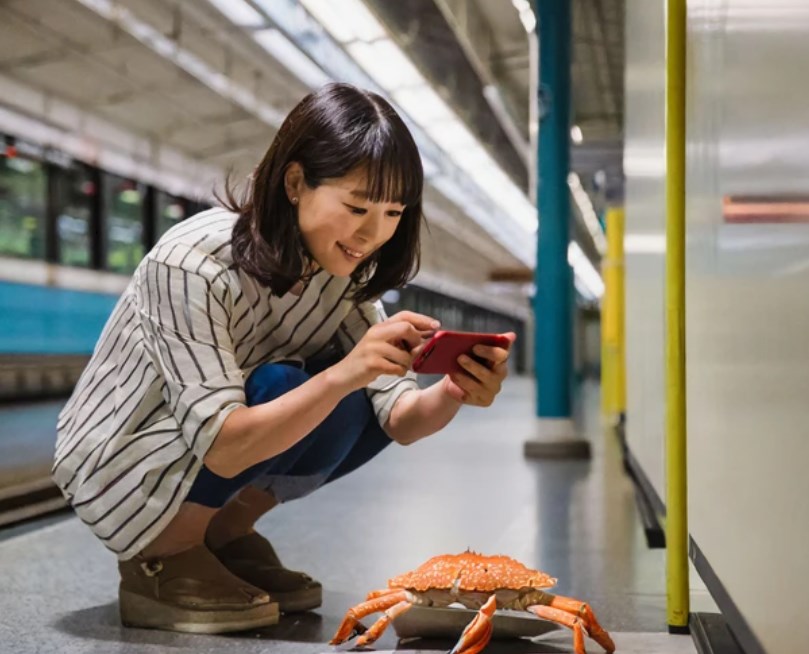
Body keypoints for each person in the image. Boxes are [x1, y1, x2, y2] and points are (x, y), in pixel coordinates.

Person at [52, 83, 516, 634]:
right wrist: (347, 372)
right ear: (295, 183)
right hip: (119, 464)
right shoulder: (190, 264)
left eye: (394, 212)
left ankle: (224, 533)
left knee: (355, 397)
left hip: (201, 450)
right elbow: (223, 445)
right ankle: (162, 557)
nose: (373, 233)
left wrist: (455, 389)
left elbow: (398, 420)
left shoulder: (342, 277)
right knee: (291, 384)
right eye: (357, 207)